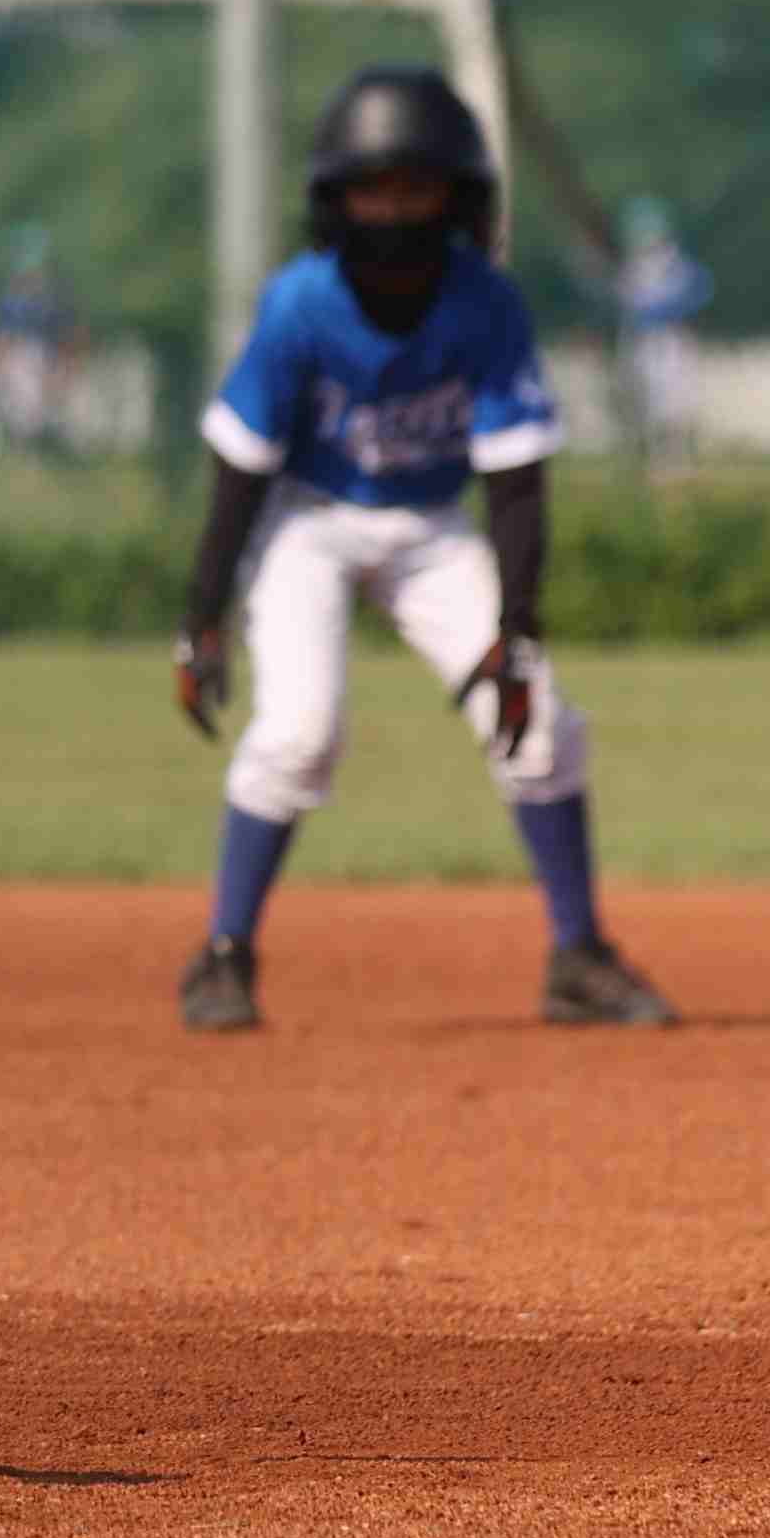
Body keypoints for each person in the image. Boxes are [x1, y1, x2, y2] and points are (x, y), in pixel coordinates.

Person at [167, 67, 672, 1036]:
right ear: (336, 200)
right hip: (307, 523)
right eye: (374, 188)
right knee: (299, 733)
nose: (395, 209)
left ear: (458, 198)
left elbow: (515, 482)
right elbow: (240, 468)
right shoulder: (300, 305)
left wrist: (516, 633)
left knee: (540, 724)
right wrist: (203, 616)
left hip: (432, 530)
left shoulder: (486, 306)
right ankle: (223, 956)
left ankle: (578, 957)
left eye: (417, 187)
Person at [612, 194, 711, 464]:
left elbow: (698, 293)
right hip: (640, 340)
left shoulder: (679, 266)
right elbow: (626, 303)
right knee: (643, 397)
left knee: (675, 400)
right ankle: (652, 453)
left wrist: (668, 311)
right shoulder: (630, 269)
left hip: (672, 340)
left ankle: (675, 455)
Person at [0, 222, 76, 457]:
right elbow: (4, 336)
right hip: (21, 357)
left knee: (38, 410)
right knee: (20, 410)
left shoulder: (49, 302)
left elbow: (63, 337)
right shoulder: (14, 301)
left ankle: (35, 452)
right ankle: (24, 453)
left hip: (42, 357)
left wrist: (62, 367)